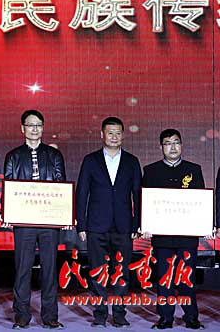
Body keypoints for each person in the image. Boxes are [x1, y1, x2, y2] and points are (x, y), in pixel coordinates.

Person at [75, 117, 142, 328]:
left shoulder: (132, 161)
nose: (114, 137)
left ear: (123, 135)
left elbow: (138, 195)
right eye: (110, 132)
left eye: (118, 133)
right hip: (96, 225)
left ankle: (119, 314)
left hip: (124, 226)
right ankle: (100, 314)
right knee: (98, 271)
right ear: (102, 134)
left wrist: (137, 224)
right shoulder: (90, 160)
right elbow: (82, 193)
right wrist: (81, 225)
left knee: (122, 272)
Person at [4, 110, 66, 329]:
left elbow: (60, 185)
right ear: (23, 128)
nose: (34, 129)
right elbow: (9, 186)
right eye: (30, 125)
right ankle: (21, 316)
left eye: (38, 125)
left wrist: (63, 214)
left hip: (49, 222)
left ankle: (50, 316)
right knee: (23, 269)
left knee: (49, 269)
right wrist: (8, 214)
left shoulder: (54, 155)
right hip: (24, 222)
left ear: (43, 128)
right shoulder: (13, 156)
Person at [141, 129, 208, 330]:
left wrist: (204, 224)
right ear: (161, 147)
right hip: (162, 237)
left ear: (181, 145)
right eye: (168, 143)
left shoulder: (194, 169)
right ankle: (165, 318)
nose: (172, 147)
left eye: (176, 142)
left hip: (187, 236)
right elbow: (145, 201)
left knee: (187, 278)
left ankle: (191, 317)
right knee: (164, 279)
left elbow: (201, 201)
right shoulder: (151, 171)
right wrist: (145, 224)